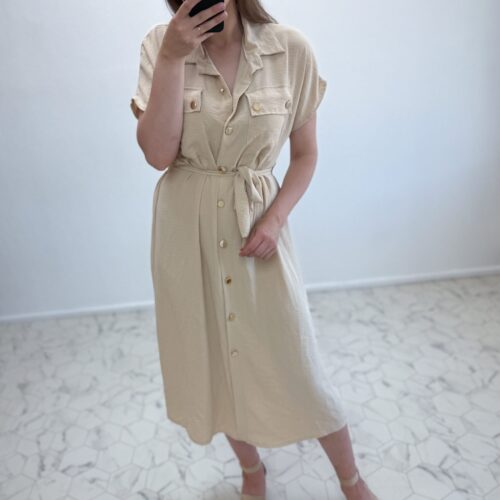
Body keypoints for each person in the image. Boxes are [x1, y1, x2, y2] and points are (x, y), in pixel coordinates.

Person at [130, 0, 378, 499]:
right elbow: (158, 154)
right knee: (213, 364)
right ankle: (252, 471)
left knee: (297, 363)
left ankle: (351, 481)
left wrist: (275, 219)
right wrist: (173, 57)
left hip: (256, 229)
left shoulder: (291, 49)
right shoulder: (161, 45)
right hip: (186, 234)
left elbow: (305, 154)